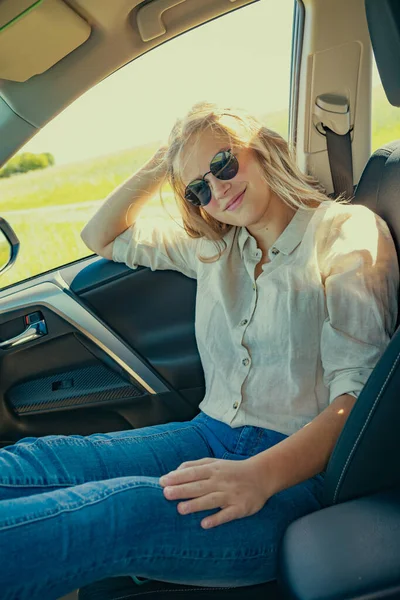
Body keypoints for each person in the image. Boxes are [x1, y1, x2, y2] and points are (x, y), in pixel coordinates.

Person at [0, 102, 398, 600]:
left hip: (294, 479)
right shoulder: (216, 248)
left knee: (117, 511)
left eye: (223, 163)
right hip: (206, 437)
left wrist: (258, 476)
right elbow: (100, 235)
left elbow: (357, 400)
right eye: (198, 189)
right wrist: (165, 162)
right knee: (41, 462)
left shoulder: (345, 232)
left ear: (262, 147)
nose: (218, 188)